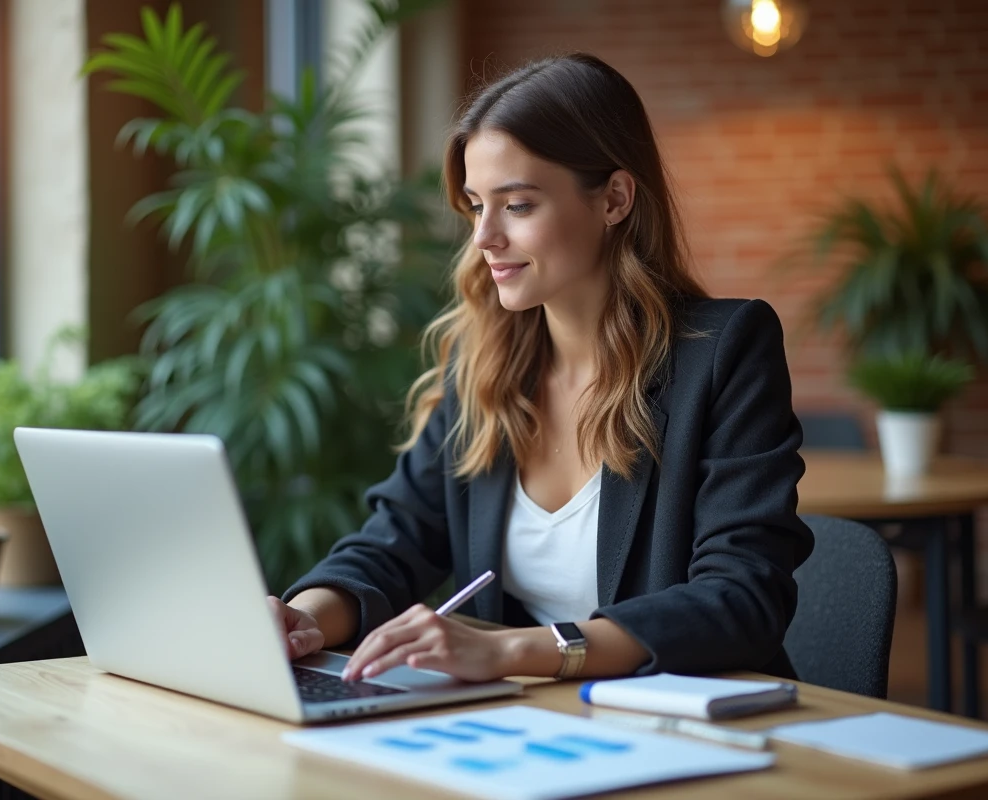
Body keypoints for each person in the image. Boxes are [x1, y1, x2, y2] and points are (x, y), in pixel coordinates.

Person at [268, 52, 813, 684]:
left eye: (518, 205)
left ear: (614, 199)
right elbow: (395, 542)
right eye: (476, 205)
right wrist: (299, 616)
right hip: (534, 731)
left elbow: (743, 599)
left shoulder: (723, 351)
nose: (484, 237)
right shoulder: (485, 364)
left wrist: (511, 652)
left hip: (691, 726)